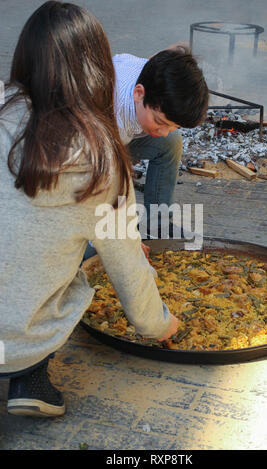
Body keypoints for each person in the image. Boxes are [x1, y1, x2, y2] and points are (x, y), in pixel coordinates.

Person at [0, 1, 178, 418]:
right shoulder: (101, 159)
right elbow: (127, 267)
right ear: (101, 69)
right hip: (20, 336)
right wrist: (159, 322)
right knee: (79, 266)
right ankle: (31, 374)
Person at [83, 43, 208, 260]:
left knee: (169, 143)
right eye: (159, 122)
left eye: (172, 124)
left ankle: (158, 226)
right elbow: (108, 185)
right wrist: (126, 238)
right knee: (96, 251)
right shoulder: (113, 114)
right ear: (139, 93)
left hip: (104, 147)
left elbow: (172, 53)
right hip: (74, 160)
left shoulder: (153, 76)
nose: (162, 131)